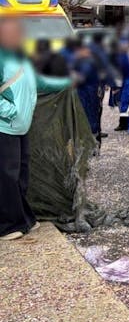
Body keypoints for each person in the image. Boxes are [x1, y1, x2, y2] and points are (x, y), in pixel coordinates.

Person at [0, 16, 72, 241]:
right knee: (6, 178)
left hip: (21, 128)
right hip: (5, 127)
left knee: (21, 176)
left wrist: (66, 82)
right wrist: (11, 112)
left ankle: (24, 219)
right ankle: (7, 225)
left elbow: (39, 82)